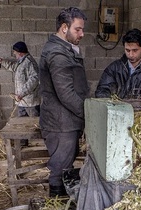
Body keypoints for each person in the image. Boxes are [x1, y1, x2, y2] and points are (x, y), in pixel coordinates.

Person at [38, 7, 90, 197]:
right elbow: (65, 93)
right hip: (61, 123)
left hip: (66, 120)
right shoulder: (58, 54)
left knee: (65, 164)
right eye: (78, 29)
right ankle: (55, 208)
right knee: (60, 168)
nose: (82, 34)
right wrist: (88, 114)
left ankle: (59, 204)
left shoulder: (64, 49)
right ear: (64, 27)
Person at [95, 28, 141, 99]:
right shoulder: (114, 68)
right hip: (118, 110)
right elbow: (102, 91)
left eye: (135, 50)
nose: (131, 54)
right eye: (127, 50)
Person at [0, 41, 41, 146]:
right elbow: (14, 67)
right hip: (21, 102)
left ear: (20, 53)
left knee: (37, 124)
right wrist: (2, 61)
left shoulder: (29, 63)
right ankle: (23, 143)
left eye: (15, 53)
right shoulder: (21, 62)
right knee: (21, 125)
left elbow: (34, 80)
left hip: (30, 102)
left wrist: (21, 93)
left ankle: (46, 145)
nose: (14, 54)